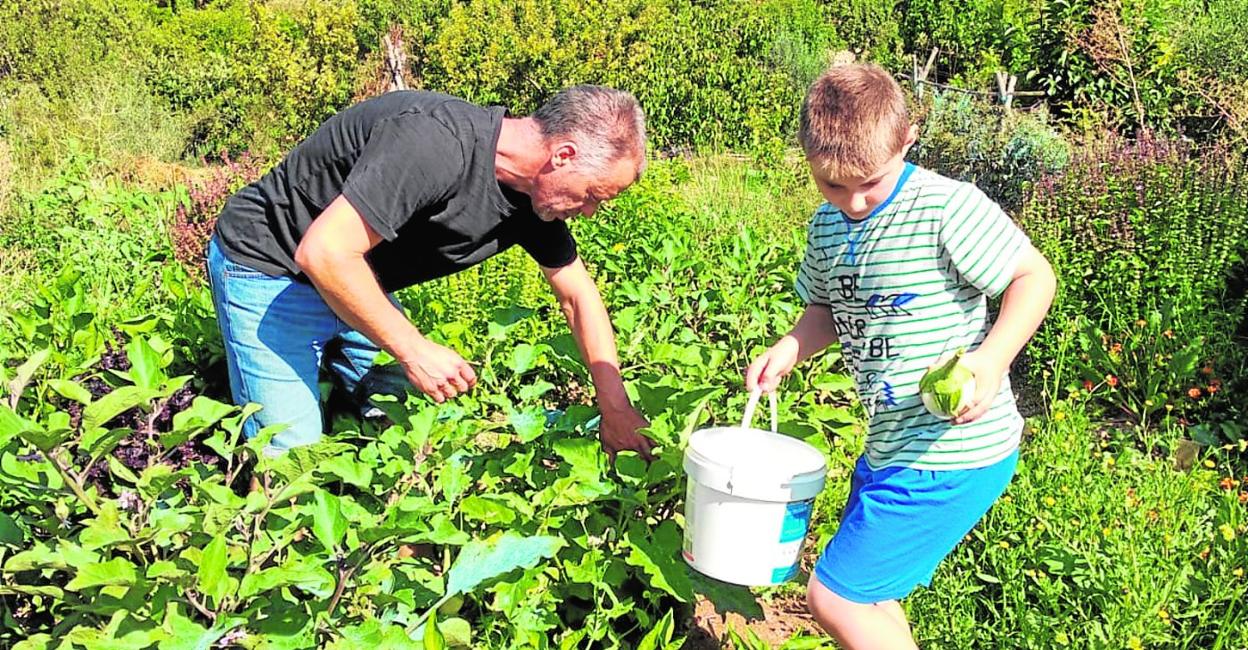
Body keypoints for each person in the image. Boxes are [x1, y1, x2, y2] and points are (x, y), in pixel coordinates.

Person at [744, 64, 1056, 649]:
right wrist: (790, 346)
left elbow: (1032, 277)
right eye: (834, 186)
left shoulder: (945, 207)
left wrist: (991, 361)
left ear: (907, 139)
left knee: (834, 596)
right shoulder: (826, 227)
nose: (855, 201)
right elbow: (825, 310)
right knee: (875, 596)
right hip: (892, 445)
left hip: (953, 450)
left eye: (871, 182)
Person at [206, 85, 656, 459]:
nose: (592, 212)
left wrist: (614, 405)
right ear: (564, 155)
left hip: (357, 281)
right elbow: (324, 253)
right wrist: (414, 349)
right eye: (595, 195)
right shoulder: (435, 143)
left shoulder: (534, 200)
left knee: (416, 434)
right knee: (291, 465)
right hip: (272, 272)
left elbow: (577, 295)